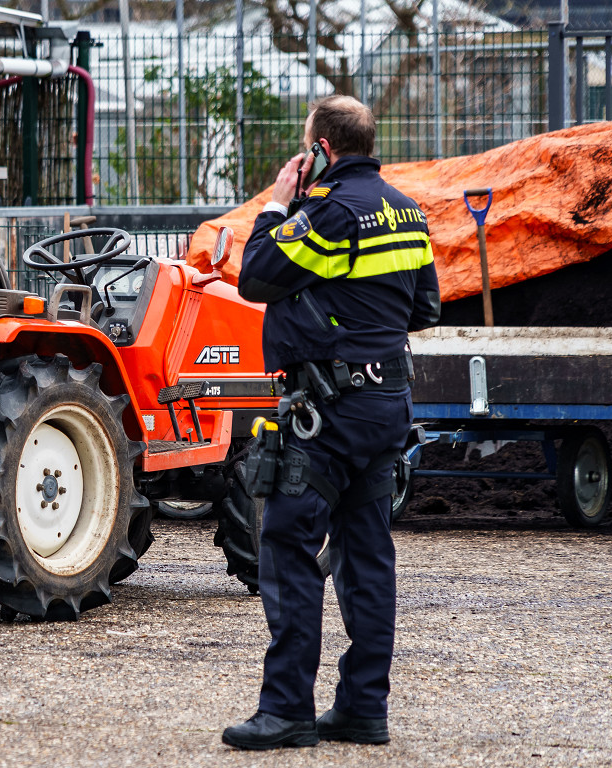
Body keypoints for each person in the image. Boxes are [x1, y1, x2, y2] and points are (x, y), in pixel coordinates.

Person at [222, 95, 440, 750]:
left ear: (321, 149)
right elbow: (424, 307)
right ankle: (361, 709)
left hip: (330, 413)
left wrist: (274, 203)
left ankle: (287, 709)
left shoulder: (327, 212)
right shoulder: (406, 210)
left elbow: (255, 276)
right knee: (367, 555)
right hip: (386, 409)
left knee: (288, 547)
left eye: (304, 145)